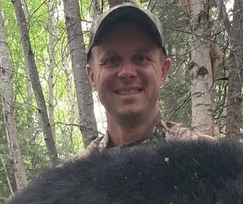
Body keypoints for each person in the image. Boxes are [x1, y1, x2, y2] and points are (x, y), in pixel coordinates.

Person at [82, 3, 211, 154]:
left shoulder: (207, 159)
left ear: (163, 70)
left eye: (140, 58)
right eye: (112, 60)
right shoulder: (74, 174)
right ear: (92, 77)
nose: (127, 72)